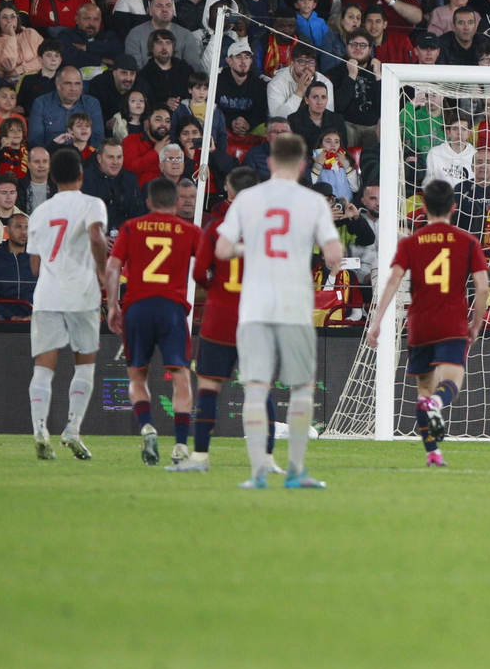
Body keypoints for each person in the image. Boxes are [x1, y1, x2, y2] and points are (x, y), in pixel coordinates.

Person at [216, 132, 344, 489]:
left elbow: (223, 249)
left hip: (255, 307)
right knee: (302, 389)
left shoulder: (248, 199)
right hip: (294, 306)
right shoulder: (312, 202)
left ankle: (257, 472)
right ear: (303, 165)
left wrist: (251, 249)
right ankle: (296, 470)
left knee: (256, 389)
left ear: (269, 163)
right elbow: (334, 256)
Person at [365, 179, 490, 468]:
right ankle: (437, 405)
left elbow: (393, 280)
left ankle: (433, 453)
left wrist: (377, 321)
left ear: (422, 208)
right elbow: (482, 288)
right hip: (452, 323)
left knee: (423, 389)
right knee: (449, 383)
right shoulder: (467, 241)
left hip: (420, 325)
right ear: (454, 207)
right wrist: (476, 323)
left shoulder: (410, 242)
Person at [169, 167, 276, 476]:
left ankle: (200, 457)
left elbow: (199, 272)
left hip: (220, 317)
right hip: (256, 319)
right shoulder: (269, 228)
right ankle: (266, 460)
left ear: (228, 193)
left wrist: (216, 282)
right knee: (260, 389)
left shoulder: (217, 228)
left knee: (208, 388)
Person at [105, 177, 201, 467]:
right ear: (175, 202)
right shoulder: (189, 230)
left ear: (148, 202)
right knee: (181, 374)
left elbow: (112, 267)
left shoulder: (131, 227)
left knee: (137, 375)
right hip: (171, 308)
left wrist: (112, 305)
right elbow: (210, 264)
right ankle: (182, 445)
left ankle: (146, 426)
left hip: (137, 306)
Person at [24, 148, 107, 461]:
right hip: (82, 295)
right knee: (84, 365)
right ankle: (72, 428)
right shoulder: (91, 204)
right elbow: (97, 237)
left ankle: (39, 428)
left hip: (46, 296)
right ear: (82, 174)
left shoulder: (41, 212)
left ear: (53, 177)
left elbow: (34, 267)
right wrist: (101, 270)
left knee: (43, 368)